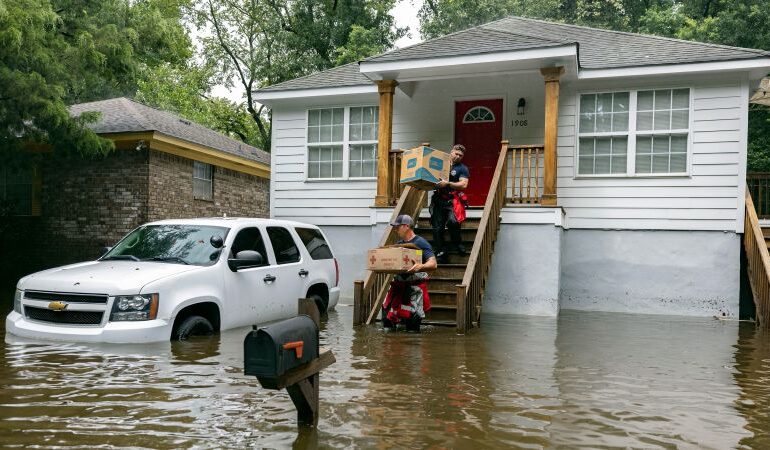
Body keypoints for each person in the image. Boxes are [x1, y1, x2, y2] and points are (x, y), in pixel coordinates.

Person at [382, 214, 437, 332]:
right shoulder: (400, 244)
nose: (395, 229)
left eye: (398, 226)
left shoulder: (421, 243)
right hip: (398, 287)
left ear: (406, 226)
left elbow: (433, 264)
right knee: (387, 321)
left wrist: (420, 266)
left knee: (412, 327)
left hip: (414, 289)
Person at [431, 144, 470, 262]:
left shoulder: (462, 168)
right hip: (438, 199)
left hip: (452, 200)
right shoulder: (440, 164)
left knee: (453, 222)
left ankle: (457, 243)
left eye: (460, 155)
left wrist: (448, 183)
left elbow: (464, 184)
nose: (458, 156)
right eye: (456, 153)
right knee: (437, 227)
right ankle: (440, 250)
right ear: (451, 152)